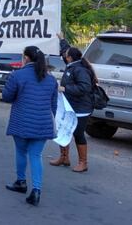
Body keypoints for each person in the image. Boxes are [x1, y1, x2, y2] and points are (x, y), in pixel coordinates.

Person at [2, 46, 58, 207]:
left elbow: (6, 97)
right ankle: (36, 190)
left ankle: (21, 182)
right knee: (36, 155)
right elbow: (53, 106)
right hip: (43, 123)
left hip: (22, 121)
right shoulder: (51, 79)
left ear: (26, 58)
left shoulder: (17, 75)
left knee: (21, 151)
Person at [50, 34, 96, 173]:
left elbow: (85, 88)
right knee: (63, 130)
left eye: (66, 54)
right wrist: (62, 39)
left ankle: (83, 162)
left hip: (81, 108)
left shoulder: (80, 69)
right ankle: (64, 157)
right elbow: (67, 49)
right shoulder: (73, 64)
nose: (64, 55)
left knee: (78, 133)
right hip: (69, 106)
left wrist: (65, 88)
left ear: (70, 58)